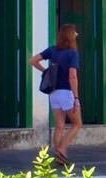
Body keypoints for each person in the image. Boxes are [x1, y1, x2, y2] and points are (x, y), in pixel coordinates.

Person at [32, 23, 82, 166]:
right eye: (75, 32)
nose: (77, 34)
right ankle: (62, 149)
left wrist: (45, 71)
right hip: (66, 92)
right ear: (70, 35)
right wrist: (76, 98)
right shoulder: (73, 53)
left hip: (53, 92)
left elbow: (33, 60)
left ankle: (59, 157)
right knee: (77, 124)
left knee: (59, 126)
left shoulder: (52, 50)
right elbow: (72, 76)